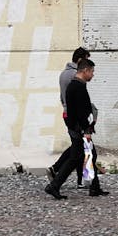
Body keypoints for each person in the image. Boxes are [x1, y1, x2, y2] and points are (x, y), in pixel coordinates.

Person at [45, 59, 109, 199]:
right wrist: (85, 131)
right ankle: (54, 186)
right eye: (92, 71)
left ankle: (94, 188)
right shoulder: (78, 87)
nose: (93, 75)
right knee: (76, 158)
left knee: (88, 156)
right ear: (85, 71)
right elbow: (80, 112)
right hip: (79, 128)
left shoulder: (76, 85)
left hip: (76, 127)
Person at [47, 47, 92, 189]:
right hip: (74, 116)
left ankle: (60, 173)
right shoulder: (75, 75)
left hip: (68, 113)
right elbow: (76, 99)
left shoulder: (63, 73)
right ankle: (62, 178)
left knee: (78, 147)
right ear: (80, 60)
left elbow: (63, 97)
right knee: (79, 149)